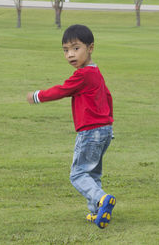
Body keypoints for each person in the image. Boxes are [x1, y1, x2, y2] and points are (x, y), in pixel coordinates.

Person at [26, 24, 116, 229]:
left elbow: (62, 90)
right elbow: (108, 96)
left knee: (77, 174)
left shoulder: (83, 75)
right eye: (66, 50)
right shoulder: (96, 72)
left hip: (90, 131)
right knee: (92, 173)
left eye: (76, 48)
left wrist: (37, 96)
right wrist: (109, 121)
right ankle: (97, 211)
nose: (70, 55)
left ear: (90, 48)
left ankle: (102, 199)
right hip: (104, 129)